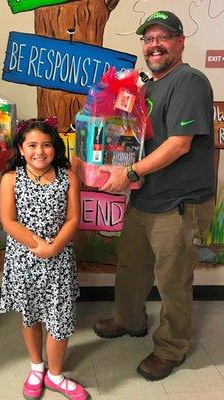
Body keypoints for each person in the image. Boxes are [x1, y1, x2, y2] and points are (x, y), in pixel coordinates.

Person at [93, 11, 215, 381]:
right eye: (148, 39)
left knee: (173, 280)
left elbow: (178, 145)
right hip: (145, 197)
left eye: (163, 37)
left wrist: (128, 172)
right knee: (131, 267)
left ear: (180, 42)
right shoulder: (146, 87)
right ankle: (129, 320)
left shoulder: (189, 81)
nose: (155, 44)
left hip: (179, 204)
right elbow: (132, 137)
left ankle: (171, 348)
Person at [0, 119, 89, 400]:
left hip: (59, 260)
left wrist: (54, 247)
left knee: (60, 318)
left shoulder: (68, 176)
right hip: (23, 260)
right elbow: (8, 221)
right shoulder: (11, 178)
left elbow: (73, 218)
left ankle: (55, 375)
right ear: (21, 149)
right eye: (32, 145)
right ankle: (37, 367)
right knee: (31, 315)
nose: (40, 151)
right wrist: (38, 245)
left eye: (47, 145)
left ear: (55, 148)